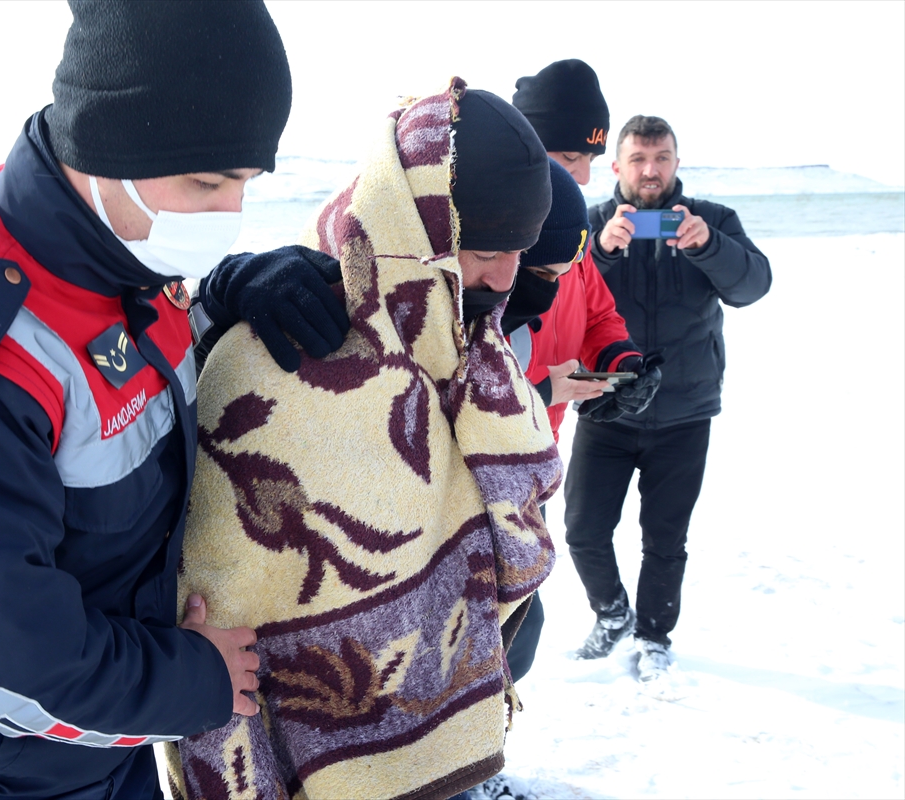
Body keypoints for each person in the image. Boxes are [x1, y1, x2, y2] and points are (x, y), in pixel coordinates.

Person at [0, 2, 352, 798]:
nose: (229, 214)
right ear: (110, 145)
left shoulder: (113, 245)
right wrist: (196, 682)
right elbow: (7, 666)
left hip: (97, 740)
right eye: (208, 182)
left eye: (246, 183)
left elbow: (131, 348)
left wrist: (231, 290)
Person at [169, 79, 562, 800]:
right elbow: (215, 586)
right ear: (425, 228)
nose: (504, 277)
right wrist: (218, 297)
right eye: (486, 249)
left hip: (454, 726)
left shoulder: (472, 341)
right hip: (309, 750)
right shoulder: (281, 342)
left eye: (523, 251)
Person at [565, 114, 772, 680]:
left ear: (677, 163)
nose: (650, 171)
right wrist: (600, 254)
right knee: (583, 529)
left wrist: (709, 246)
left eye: (661, 159)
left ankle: (654, 637)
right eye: (638, 159)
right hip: (607, 406)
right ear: (617, 166)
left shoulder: (715, 221)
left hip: (685, 412)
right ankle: (611, 615)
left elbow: (754, 286)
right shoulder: (586, 226)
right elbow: (554, 306)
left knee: (665, 539)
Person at [492, 60, 658, 685]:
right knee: (501, 628)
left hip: (540, 452)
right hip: (482, 463)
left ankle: (479, 759)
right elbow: (442, 386)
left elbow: (598, 315)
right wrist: (540, 390)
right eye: (568, 157)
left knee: (516, 626)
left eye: (590, 159)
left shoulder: (573, 235)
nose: (583, 178)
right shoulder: (484, 240)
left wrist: (622, 364)